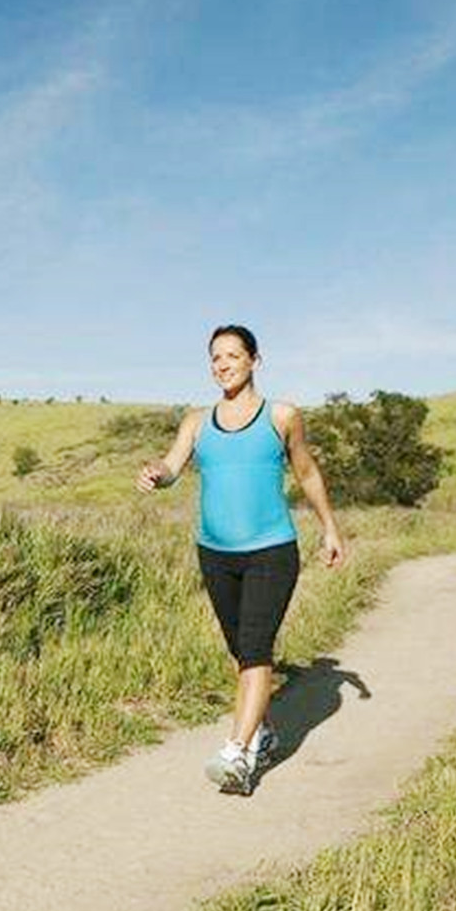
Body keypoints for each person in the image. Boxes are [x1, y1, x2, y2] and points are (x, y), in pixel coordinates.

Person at [135, 324, 345, 795]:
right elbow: (172, 467)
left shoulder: (282, 416)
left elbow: (307, 472)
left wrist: (330, 528)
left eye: (232, 355)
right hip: (215, 552)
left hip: (271, 550)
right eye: (215, 357)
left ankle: (236, 752)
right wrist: (157, 472)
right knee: (240, 651)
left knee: (254, 648)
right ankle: (264, 733)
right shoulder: (196, 420)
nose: (222, 364)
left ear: (255, 360)